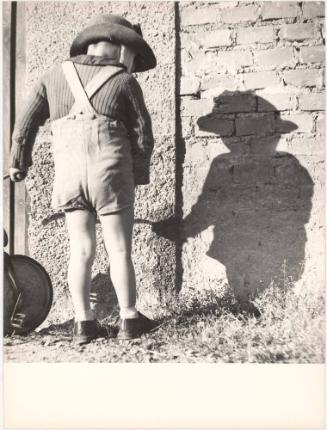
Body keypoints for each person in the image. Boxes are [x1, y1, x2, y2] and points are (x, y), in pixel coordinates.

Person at [9, 14, 160, 345]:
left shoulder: (53, 77)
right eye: (133, 55)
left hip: (70, 177)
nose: (133, 64)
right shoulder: (123, 82)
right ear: (120, 48)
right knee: (119, 250)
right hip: (111, 175)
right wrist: (139, 174)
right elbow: (143, 135)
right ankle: (130, 321)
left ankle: (84, 325)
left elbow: (25, 123)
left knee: (80, 250)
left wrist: (18, 162)